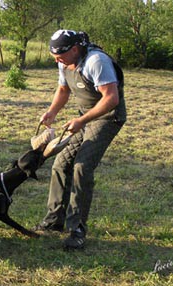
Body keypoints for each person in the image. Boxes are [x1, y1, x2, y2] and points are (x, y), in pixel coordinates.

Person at [34, 30, 127, 249]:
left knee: (81, 167)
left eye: (60, 56)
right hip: (84, 118)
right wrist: (52, 112)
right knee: (60, 164)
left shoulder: (96, 61)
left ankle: (77, 230)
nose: (57, 61)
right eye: (54, 56)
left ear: (75, 49)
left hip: (107, 118)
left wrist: (82, 120)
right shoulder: (64, 62)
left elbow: (111, 99)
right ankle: (53, 221)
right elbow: (63, 89)